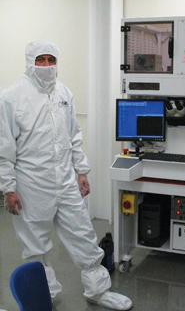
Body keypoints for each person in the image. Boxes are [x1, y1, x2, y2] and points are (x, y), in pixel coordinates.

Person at [0, 40, 132, 310]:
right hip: (31, 184)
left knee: (83, 234)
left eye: (51, 60)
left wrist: (81, 171)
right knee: (36, 246)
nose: (47, 66)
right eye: (41, 60)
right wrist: (8, 188)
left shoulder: (64, 93)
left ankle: (98, 291)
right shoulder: (11, 97)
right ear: (29, 62)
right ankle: (42, 297)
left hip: (66, 182)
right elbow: (5, 147)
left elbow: (73, 136)